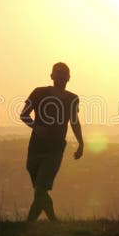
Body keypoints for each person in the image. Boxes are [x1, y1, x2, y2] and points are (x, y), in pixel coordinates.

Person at [20, 62, 84, 221]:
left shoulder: (72, 98)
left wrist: (81, 143)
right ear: (52, 76)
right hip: (35, 148)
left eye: (64, 75)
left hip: (55, 150)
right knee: (40, 191)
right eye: (59, 74)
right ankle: (54, 222)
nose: (62, 78)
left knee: (40, 189)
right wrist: (36, 127)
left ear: (68, 78)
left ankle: (29, 225)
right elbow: (24, 115)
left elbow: (74, 121)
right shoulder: (38, 92)